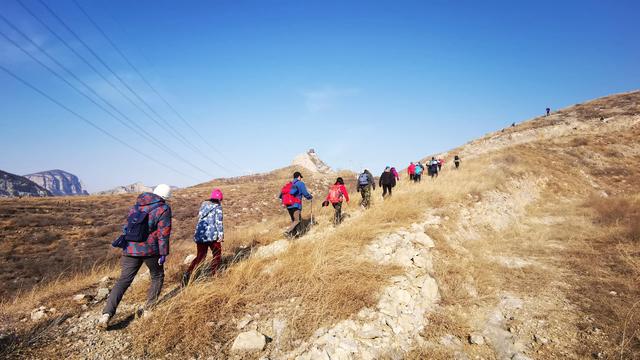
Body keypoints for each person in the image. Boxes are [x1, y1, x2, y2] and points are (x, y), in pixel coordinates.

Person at [98, 184, 173, 330]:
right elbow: (164, 233)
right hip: (150, 250)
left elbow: (126, 227)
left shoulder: (137, 205)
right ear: (166, 196)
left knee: (123, 281)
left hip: (130, 248)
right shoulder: (163, 208)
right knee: (157, 275)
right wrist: (163, 253)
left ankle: (106, 315)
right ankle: (148, 309)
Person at [182, 189, 224, 287]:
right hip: (212, 236)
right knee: (217, 254)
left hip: (200, 235)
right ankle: (214, 274)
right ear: (219, 198)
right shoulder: (217, 207)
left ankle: (188, 273)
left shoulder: (203, 205)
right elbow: (219, 222)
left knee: (200, 256)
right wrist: (221, 236)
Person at [280, 171, 312, 237]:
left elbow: (281, 195)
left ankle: (294, 235)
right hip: (296, 205)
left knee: (294, 220)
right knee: (297, 220)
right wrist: (310, 197)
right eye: (301, 177)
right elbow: (305, 193)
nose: (301, 179)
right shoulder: (300, 183)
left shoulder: (289, 184)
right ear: (299, 177)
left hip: (288, 205)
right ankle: (287, 232)